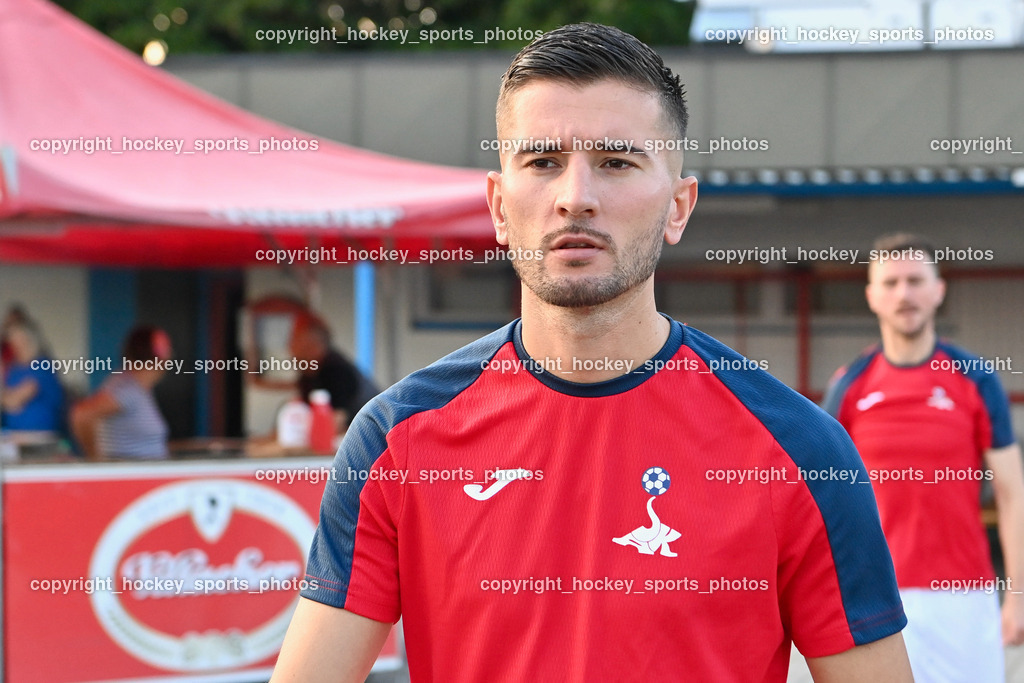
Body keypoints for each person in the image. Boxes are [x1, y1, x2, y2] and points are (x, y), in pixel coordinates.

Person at [272, 23, 912, 682]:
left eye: (616, 161)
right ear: (498, 205)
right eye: (543, 161)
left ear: (678, 206)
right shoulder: (395, 441)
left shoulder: (802, 452)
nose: (576, 195)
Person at [823, 233, 1024, 682]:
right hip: (877, 596)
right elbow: (826, 498)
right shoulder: (850, 386)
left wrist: (1018, 594)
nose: (904, 294)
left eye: (916, 280)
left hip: (964, 596)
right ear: (872, 296)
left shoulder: (975, 380)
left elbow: (1013, 492)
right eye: (891, 283)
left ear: (939, 291)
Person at [71, 325, 172, 460]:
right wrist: (94, 459)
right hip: (131, 474)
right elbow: (83, 415)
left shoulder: (140, 388)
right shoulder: (127, 388)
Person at [289, 311, 378, 431]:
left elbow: (337, 419)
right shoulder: (308, 373)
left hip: (370, 435)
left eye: (297, 344)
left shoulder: (336, 370)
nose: (291, 351)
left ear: (315, 347)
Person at [1, 321, 65, 432]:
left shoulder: (42, 365)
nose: (16, 346)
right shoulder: (14, 368)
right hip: (14, 434)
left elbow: (15, 399)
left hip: (39, 435)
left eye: (21, 340)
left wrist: (10, 399)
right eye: (13, 341)